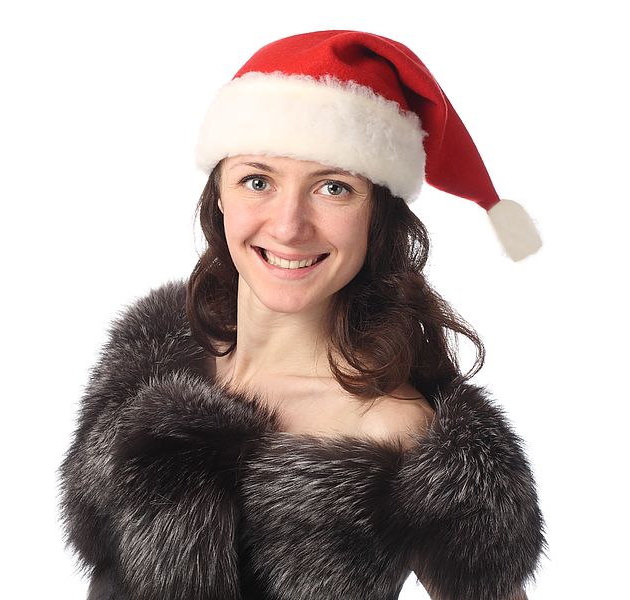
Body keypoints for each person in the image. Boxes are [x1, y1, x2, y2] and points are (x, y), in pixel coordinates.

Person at [60, 30, 545, 600]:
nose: (289, 225)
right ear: (219, 193)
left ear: (377, 217)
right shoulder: (147, 363)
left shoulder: (392, 430)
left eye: (333, 188)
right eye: (257, 181)